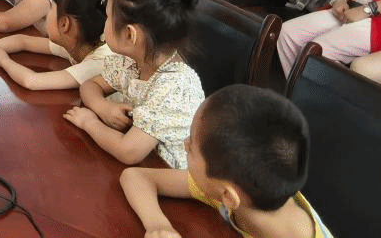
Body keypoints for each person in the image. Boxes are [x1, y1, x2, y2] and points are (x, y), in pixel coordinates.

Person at [120, 85, 333, 238]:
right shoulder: (247, 191)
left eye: (191, 146)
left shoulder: (237, 189)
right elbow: (135, 177)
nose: (185, 144)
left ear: (228, 197)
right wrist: (158, 224)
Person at [64, 0, 204, 169]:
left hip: (167, 174)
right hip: (144, 165)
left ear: (130, 35)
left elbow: (128, 151)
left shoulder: (176, 86)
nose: (104, 23)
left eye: (108, 17)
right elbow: (90, 85)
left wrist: (90, 123)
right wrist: (102, 107)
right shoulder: (132, 61)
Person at [0, 0, 112, 90]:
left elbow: (31, 81)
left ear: (64, 24)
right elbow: (22, 41)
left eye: (51, 9)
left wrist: (2, 60)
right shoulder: (78, 39)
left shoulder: (99, 62)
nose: (47, 13)